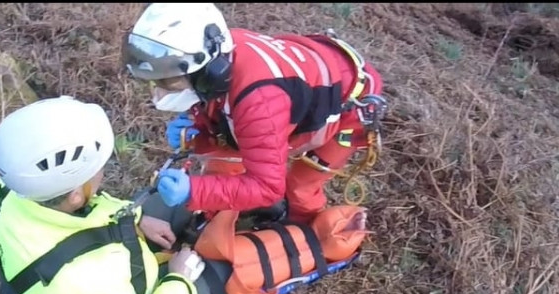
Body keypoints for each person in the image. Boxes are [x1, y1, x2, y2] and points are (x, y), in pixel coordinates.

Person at [0, 96, 229, 294]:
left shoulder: (11, 192)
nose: (102, 173)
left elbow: (93, 207)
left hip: (90, 257)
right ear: (75, 195)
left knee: (190, 194)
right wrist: (179, 279)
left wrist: (136, 218)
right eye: (97, 170)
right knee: (225, 271)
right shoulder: (84, 287)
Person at [121, 3, 387, 226]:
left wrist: (194, 191)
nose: (159, 93)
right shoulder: (217, 54)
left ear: (209, 73)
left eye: (170, 83)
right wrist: (200, 128)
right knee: (220, 160)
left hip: (349, 104)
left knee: (300, 185)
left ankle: (301, 230)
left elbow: (267, 186)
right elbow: (220, 112)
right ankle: (217, 220)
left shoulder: (259, 103)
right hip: (305, 85)